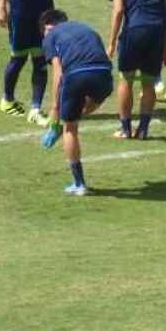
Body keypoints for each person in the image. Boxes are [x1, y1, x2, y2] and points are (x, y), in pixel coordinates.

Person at [39, 10, 114, 196]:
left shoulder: (50, 37)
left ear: (47, 27)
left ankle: (79, 184)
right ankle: (65, 121)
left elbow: (58, 73)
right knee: (85, 107)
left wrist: (55, 108)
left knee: (70, 129)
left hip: (77, 76)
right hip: (104, 76)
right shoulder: (86, 28)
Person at [105, 0, 166, 140]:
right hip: (157, 32)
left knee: (126, 79)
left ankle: (125, 129)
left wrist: (110, 44)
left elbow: (118, 10)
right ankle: (143, 130)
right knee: (148, 81)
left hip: (134, 30)